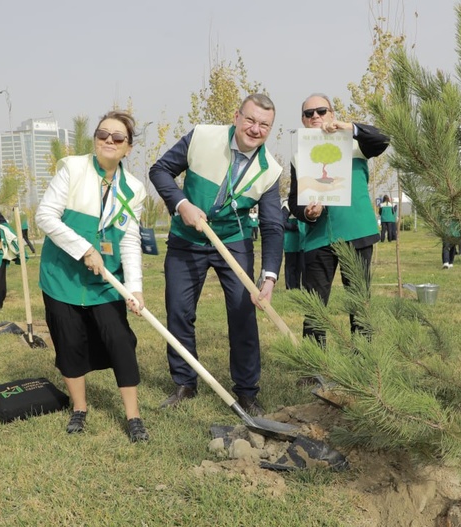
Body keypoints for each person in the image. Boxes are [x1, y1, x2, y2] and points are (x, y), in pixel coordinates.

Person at [149, 93, 283, 416]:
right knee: (179, 311)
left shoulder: (270, 171)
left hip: (233, 242)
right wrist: (182, 205)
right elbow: (160, 170)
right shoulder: (202, 137)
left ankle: (247, 391)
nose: (255, 129)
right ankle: (184, 382)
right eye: (250, 120)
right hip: (187, 238)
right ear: (237, 117)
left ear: (271, 129)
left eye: (264, 124)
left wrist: (268, 276)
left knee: (243, 314)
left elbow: (273, 226)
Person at [35, 110, 149, 443]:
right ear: (95, 139)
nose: (109, 141)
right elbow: (45, 215)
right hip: (62, 276)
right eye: (103, 135)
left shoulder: (134, 190)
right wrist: (84, 248)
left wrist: (135, 288)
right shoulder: (72, 168)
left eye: (118, 138)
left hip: (105, 283)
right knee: (69, 343)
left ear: (128, 148)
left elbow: (128, 241)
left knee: (120, 342)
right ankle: (79, 408)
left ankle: (133, 416)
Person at [288, 93, 389, 347]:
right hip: (318, 239)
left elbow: (382, 139)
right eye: (309, 113)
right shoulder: (298, 156)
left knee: (358, 301)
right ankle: (315, 366)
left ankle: (363, 363)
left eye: (321, 111)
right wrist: (306, 213)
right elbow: (293, 200)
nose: (315, 117)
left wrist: (351, 128)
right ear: (302, 120)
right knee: (315, 306)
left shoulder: (355, 144)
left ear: (332, 114)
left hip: (355, 233)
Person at [283, 207, 304, 290]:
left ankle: (298, 286)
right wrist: (295, 227)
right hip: (290, 241)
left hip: (301, 241)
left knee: (300, 266)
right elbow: (282, 222)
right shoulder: (287, 206)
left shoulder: (303, 204)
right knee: (290, 265)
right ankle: (290, 286)